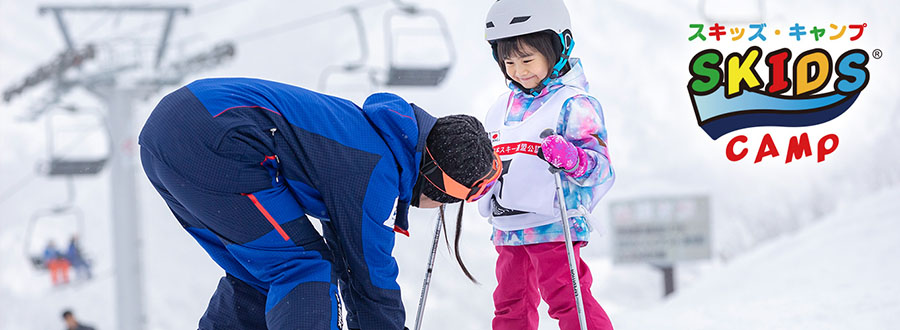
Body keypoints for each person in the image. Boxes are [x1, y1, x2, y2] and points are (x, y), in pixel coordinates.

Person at [139, 77, 500, 330]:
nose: (439, 209)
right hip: (215, 137)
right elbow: (370, 275)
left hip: (172, 131)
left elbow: (351, 262)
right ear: (438, 183)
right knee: (302, 268)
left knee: (260, 274)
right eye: (450, 201)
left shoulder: (369, 139)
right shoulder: (377, 169)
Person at [479, 1, 616, 329]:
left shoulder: (573, 103)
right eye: (508, 62)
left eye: (527, 60)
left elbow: (601, 168)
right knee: (510, 304)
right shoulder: (501, 107)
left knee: (568, 299)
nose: (519, 71)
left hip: (554, 224)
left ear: (558, 48)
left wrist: (573, 159)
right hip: (509, 227)